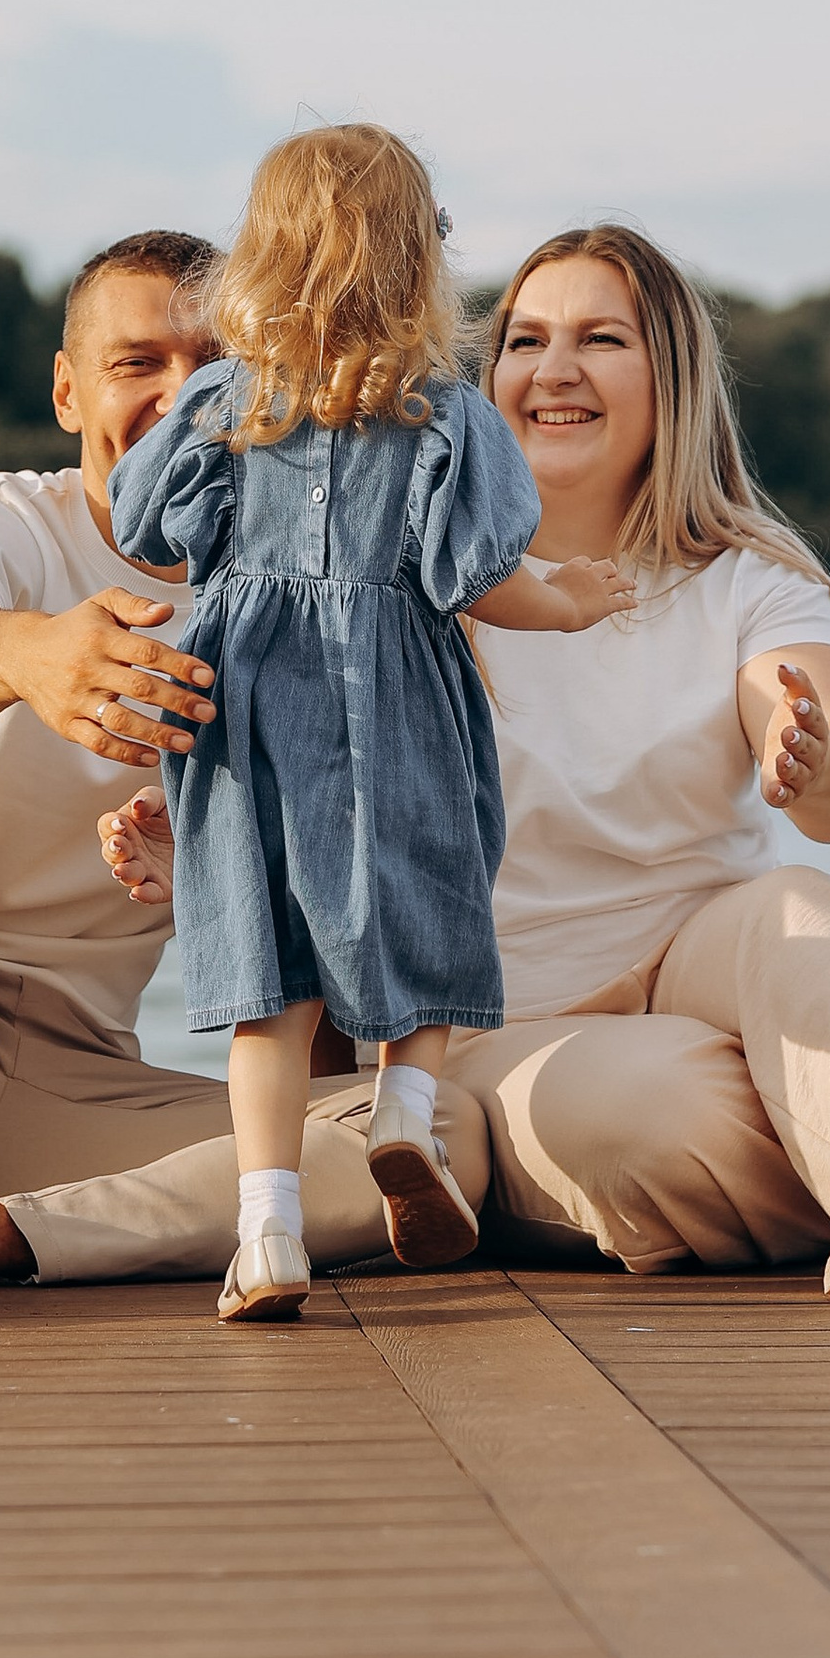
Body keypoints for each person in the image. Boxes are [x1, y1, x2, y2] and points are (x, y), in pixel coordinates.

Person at [90, 221, 830, 1304]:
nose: (555, 368)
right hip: (492, 1018)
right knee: (658, 1115)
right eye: (526, 340)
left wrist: (807, 752)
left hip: (703, 955)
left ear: (669, 378)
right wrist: (192, 861)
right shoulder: (399, 589)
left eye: (601, 339)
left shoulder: (747, 582)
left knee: (800, 911)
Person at [0, 227, 496, 1328]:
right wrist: (31, 657)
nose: (183, 395)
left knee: (434, 1137)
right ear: (69, 392)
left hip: (64, 1078)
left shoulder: (323, 598)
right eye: (138, 364)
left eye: (220, 363)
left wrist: (256, 873)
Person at [102, 127, 626, 1324]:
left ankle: (268, 1230)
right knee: (430, 888)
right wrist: (569, 599)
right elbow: (471, 579)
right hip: (398, 690)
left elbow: (144, 529)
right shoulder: (442, 415)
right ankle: (404, 1116)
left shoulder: (222, 404)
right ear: (416, 263)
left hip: (246, 701)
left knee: (266, 981)